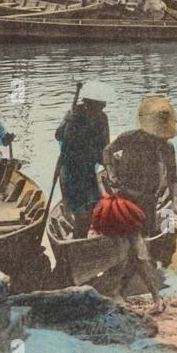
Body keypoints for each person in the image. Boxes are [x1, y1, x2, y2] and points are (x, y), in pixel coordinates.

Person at [97, 96, 177, 313]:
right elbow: (107, 151)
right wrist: (111, 171)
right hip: (125, 197)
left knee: (136, 248)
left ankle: (121, 293)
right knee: (137, 248)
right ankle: (152, 297)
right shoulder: (129, 138)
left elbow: (173, 178)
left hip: (149, 201)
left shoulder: (166, 148)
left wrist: (175, 202)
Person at [55, 80, 112, 236]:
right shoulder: (74, 115)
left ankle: (83, 236)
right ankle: (78, 238)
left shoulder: (101, 118)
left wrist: (109, 165)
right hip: (71, 171)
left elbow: (105, 147)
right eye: (101, 104)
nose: (103, 107)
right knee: (82, 214)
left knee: (94, 210)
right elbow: (58, 135)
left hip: (87, 170)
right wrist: (68, 120)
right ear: (90, 103)